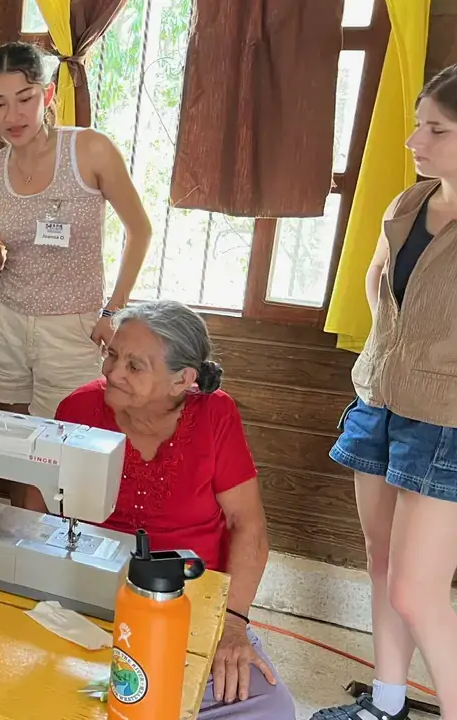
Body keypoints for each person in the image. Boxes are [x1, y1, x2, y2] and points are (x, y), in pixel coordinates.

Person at [51, 300, 293, 719]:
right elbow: (39, 511)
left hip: (191, 599)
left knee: (268, 708)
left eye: (134, 365)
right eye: (111, 355)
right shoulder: (78, 410)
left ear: (182, 380)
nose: (111, 371)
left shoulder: (216, 415)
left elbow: (247, 523)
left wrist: (234, 624)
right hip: (93, 591)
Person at [313, 65, 457, 720]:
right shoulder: (408, 203)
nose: (415, 139)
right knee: (378, 558)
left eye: (437, 129)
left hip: (444, 420)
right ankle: (388, 703)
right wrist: (387, 352)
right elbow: (378, 280)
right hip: (378, 400)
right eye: (420, 123)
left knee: (416, 592)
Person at [0, 42, 152, 420]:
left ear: (48, 94)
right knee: (4, 433)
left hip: (75, 328)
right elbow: (0, 247)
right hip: (8, 323)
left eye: (25, 99)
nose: (13, 115)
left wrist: (113, 310)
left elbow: (141, 231)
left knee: (64, 442)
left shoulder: (90, 150)